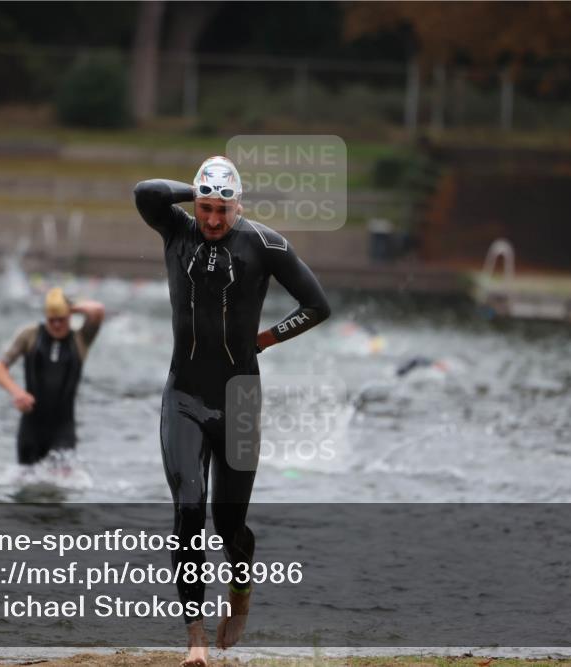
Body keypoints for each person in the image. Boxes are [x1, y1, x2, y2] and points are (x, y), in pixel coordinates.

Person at [134, 156, 331, 666]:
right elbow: (146, 192)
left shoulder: (264, 244)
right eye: (206, 208)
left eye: (223, 209)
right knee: (189, 509)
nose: (213, 219)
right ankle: (195, 639)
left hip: (240, 400)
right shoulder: (177, 230)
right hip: (183, 396)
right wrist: (197, 190)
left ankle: (240, 587)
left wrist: (264, 340)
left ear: (238, 207)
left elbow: (316, 305)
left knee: (229, 524)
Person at [0, 287, 105, 465]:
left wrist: (69, 306)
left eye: (61, 319)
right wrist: (17, 393)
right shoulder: (29, 335)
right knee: (27, 479)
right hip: (30, 430)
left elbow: (97, 310)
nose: (57, 325)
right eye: (52, 320)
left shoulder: (81, 338)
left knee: (63, 478)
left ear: (69, 316)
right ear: (45, 317)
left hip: (63, 431)